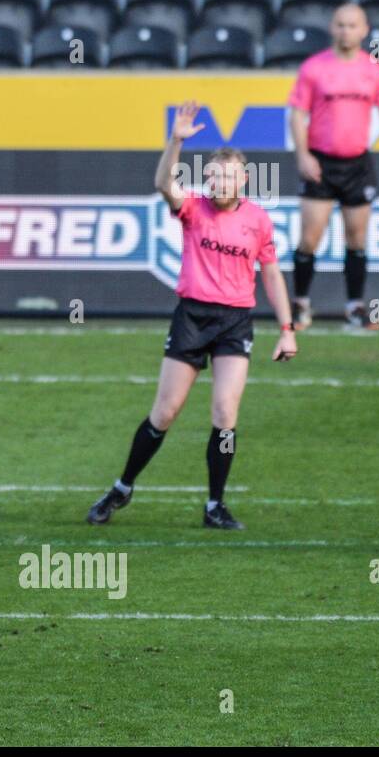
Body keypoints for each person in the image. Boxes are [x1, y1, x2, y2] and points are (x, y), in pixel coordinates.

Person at [85, 101, 298, 532]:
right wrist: (176, 141)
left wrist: (287, 329)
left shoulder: (258, 221)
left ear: (244, 179)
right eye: (214, 175)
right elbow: (163, 181)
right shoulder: (193, 208)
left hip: (235, 322)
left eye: (228, 176)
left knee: (225, 411)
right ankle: (122, 488)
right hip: (192, 317)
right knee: (165, 413)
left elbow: (271, 274)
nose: (220, 182)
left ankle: (214, 505)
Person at [288, 3, 379, 330]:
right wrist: (303, 154)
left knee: (356, 238)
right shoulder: (313, 68)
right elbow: (297, 114)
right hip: (321, 163)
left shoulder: (373, 69)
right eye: (340, 24)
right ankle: (299, 304)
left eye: (352, 25)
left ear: (364, 30)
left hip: (358, 165)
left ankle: (355, 307)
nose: (346, 31)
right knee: (310, 238)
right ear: (332, 28)